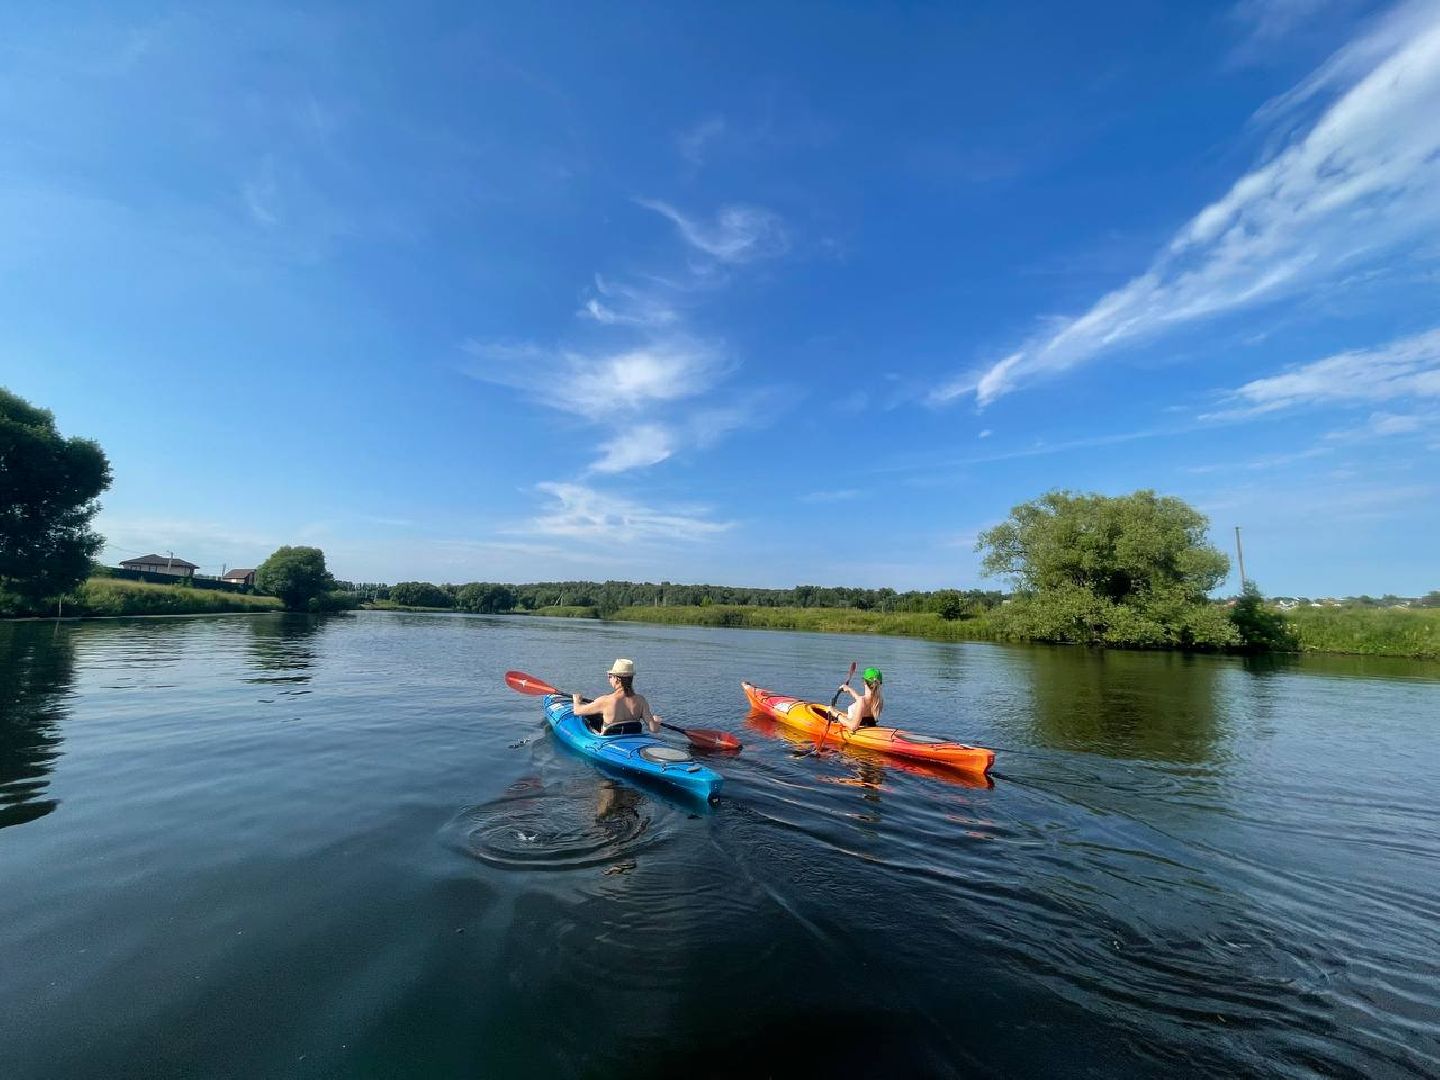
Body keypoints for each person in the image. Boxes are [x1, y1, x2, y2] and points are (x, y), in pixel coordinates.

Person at [573, 659, 662, 736]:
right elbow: (654, 729)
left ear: (617, 679)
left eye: (610, 676)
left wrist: (577, 700)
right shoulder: (641, 700)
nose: (609, 679)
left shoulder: (605, 701)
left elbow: (577, 711)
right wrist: (656, 721)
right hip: (632, 738)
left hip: (610, 740)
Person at [834, 666, 884, 732]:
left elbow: (853, 727)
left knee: (833, 711)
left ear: (864, 681)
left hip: (857, 731)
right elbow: (862, 703)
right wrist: (849, 690)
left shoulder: (862, 701)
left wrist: (835, 713)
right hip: (870, 726)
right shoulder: (879, 700)